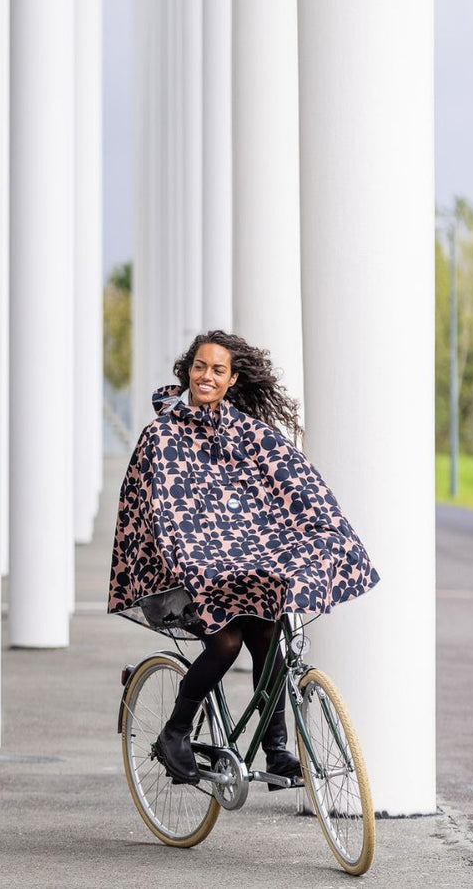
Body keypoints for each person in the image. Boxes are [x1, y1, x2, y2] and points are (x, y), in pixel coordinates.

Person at [108, 330, 379, 785]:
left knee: (270, 637)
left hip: (235, 572)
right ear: (188, 371)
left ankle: (275, 750)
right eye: (199, 367)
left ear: (232, 379)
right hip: (178, 574)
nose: (206, 376)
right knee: (227, 642)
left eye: (218, 370)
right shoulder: (162, 435)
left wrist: (326, 528)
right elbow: (162, 511)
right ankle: (175, 732)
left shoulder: (247, 432)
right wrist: (196, 560)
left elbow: (293, 481)